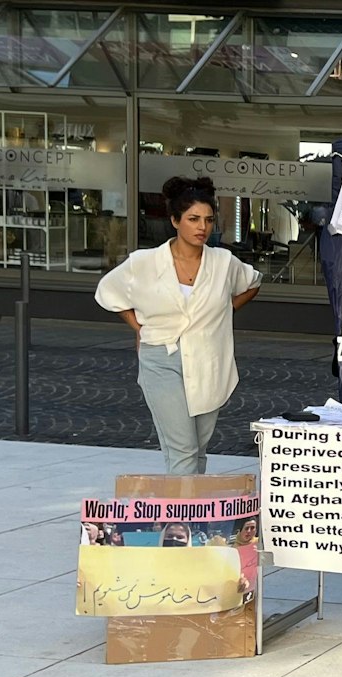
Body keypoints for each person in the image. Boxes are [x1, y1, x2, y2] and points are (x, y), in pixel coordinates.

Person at [94, 175, 262, 475]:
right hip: (161, 357)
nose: (202, 227)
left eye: (209, 220)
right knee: (183, 449)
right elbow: (109, 293)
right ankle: (182, 519)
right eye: (193, 219)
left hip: (209, 359)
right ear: (174, 220)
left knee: (197, 449)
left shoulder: (223, 262)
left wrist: (224, 311)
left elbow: (252, 283)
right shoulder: (144, 262)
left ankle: (188, 515)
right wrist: (139, 327)